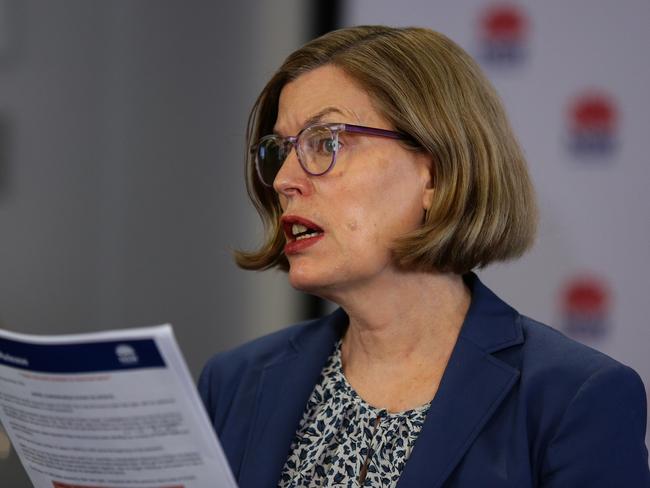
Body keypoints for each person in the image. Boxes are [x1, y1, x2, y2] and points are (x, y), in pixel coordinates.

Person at [199, 25, 649, 487]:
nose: (283, 180)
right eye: (279, 151)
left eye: (325, 142)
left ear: (434, 172)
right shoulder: (233, 384)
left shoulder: (574, 399)